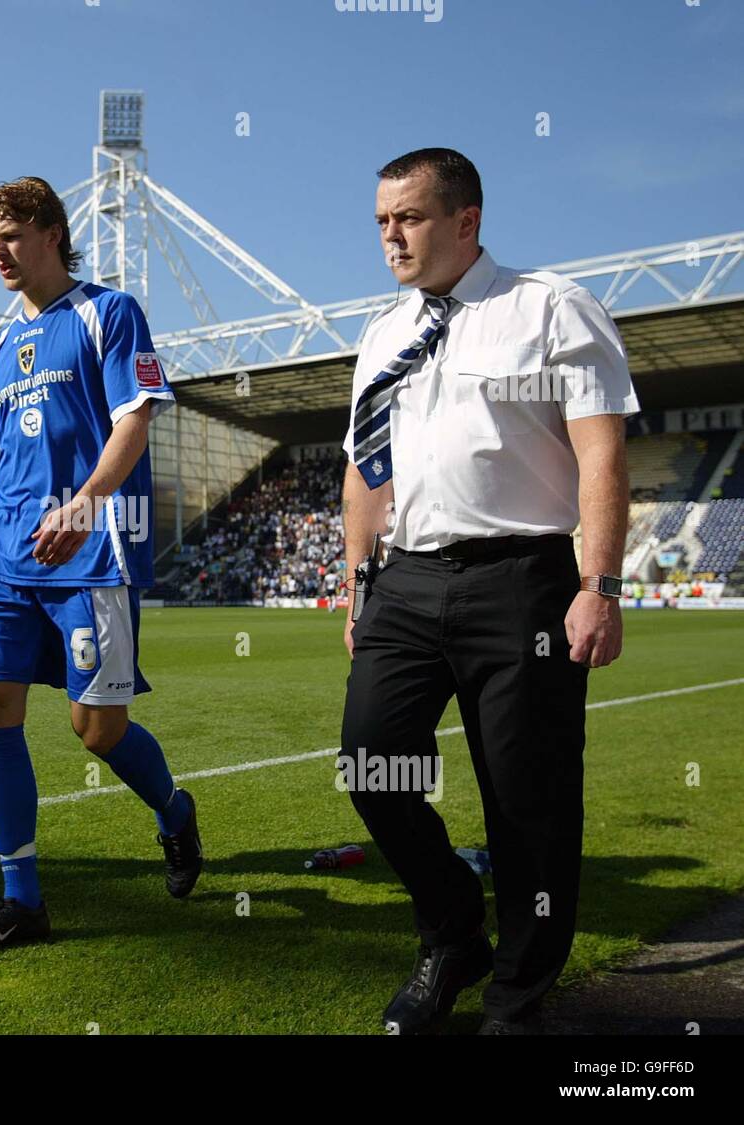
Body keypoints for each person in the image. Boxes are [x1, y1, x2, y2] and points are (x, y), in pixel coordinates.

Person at [339, 149, 638, 1034]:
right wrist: (359, 581)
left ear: (466, 220)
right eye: (383, 219)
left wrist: (601, 583)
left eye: (411, 217)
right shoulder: (383, 331)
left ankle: (517, 998)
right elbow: (364, 469)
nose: (391, 234)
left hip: (521, 580)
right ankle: (453, 929)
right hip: (406, 579)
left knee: (527, 801)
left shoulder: (548, 307)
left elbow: (601, 452)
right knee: (372, 759)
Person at [0, 177, 202, 954]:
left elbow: (136, 421)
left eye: (13, 234)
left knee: (96, 730)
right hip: (5, 552)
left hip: (92, 549)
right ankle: (22, 897)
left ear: (55, 233)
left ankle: (173, 810)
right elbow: (14, 451)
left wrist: (87, 500)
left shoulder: (108, 312)